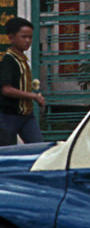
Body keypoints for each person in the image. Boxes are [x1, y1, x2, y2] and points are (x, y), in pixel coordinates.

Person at [0, 16, 45, 146]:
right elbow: (6, 89)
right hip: (8, 116)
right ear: (11, 37)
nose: (27, 41)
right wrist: (33, 96)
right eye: (23, 37)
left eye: (30, 37)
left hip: (26, 115)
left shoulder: (23, 60)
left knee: (38, 147)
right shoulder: (9, 61)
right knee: (5, 153)